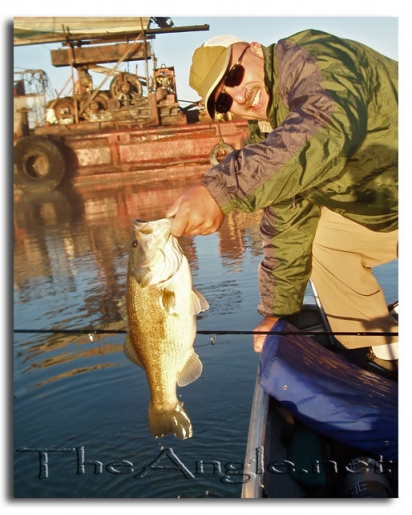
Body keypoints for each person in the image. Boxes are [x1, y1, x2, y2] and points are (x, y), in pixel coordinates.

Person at [166, 31, 398, 367]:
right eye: (223, 101)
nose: (239, 95)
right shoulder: (271, 132)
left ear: (256, 50)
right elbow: (289, 221)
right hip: (392, 208)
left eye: (233, 75)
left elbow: (322, 131)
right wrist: (278, 313)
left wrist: (221, 190)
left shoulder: (315, 57)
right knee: (320, 240)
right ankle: (379, 352)